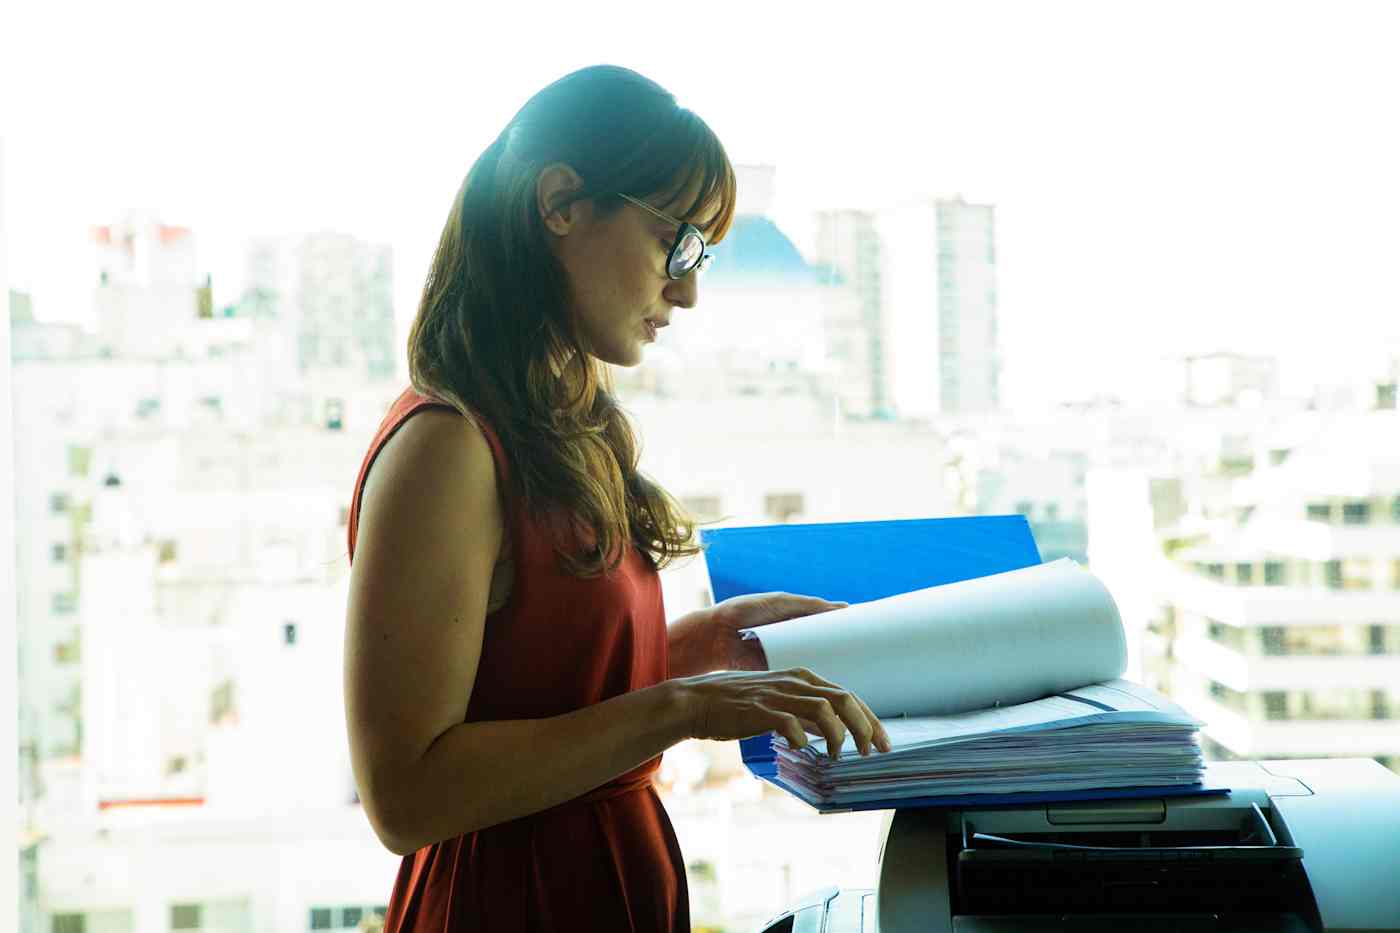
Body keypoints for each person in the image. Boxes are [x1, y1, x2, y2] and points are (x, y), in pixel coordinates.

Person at [342, 64, 892, 932]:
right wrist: (683, 708)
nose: (689, 289)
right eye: (676, 243)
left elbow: (538, 693)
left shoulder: (561, 427)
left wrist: (698, 646)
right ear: (562, 202)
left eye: (703, 255)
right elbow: (406, 792)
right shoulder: (446, 447)